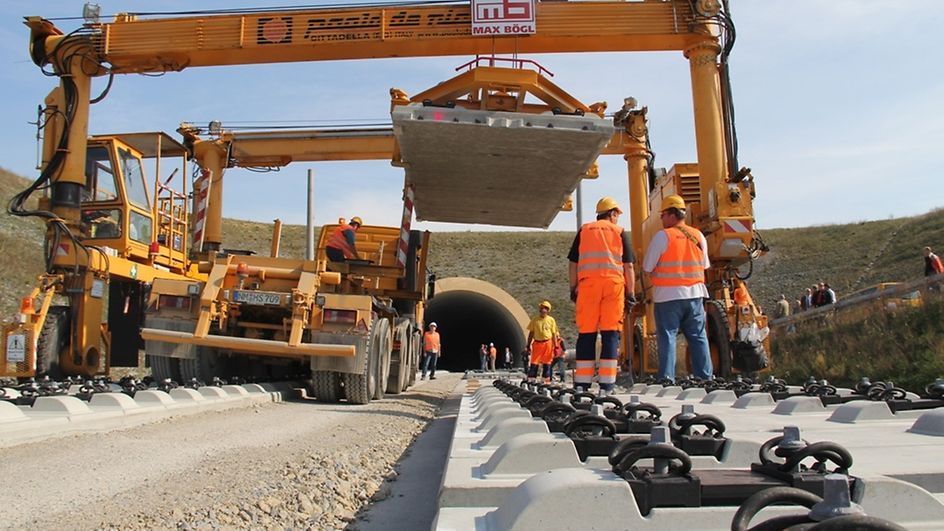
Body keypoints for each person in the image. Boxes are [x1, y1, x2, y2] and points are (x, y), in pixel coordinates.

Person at [568, 197, 636, 394]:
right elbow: (628, 266)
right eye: (617, 215)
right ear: (612, 213)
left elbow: (573, 263)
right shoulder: (620, 232)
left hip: (588, 287)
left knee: (587, 334)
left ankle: (582, 384)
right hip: (613, 287)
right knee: (610, 334)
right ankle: (607, 385)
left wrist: (573, 288)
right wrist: (630, 293)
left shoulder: (585, 230)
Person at [642, 195, 712, 383]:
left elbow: (647, 266)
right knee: (698, 336)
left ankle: (667, 377)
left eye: (663, 215)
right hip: (695, 295)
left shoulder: (663, 236)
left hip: (668, 296)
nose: (662, 219)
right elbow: (704, 265)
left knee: (668, 336)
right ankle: (705, 377)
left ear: (671, 215)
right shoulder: (699, 236)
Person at [526, 300, 560, 384]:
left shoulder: (551, 320)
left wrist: (556, 346)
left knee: (547, 363)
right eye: (542, 308)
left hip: (548, 343)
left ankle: (545, 381)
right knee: (534, 363)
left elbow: (554, 334)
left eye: (545, 308)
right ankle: (531, 380)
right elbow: (531, 333)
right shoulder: (535, 320)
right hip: (537, 343)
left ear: (548, 311)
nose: (543, 310)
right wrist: (528, 345)